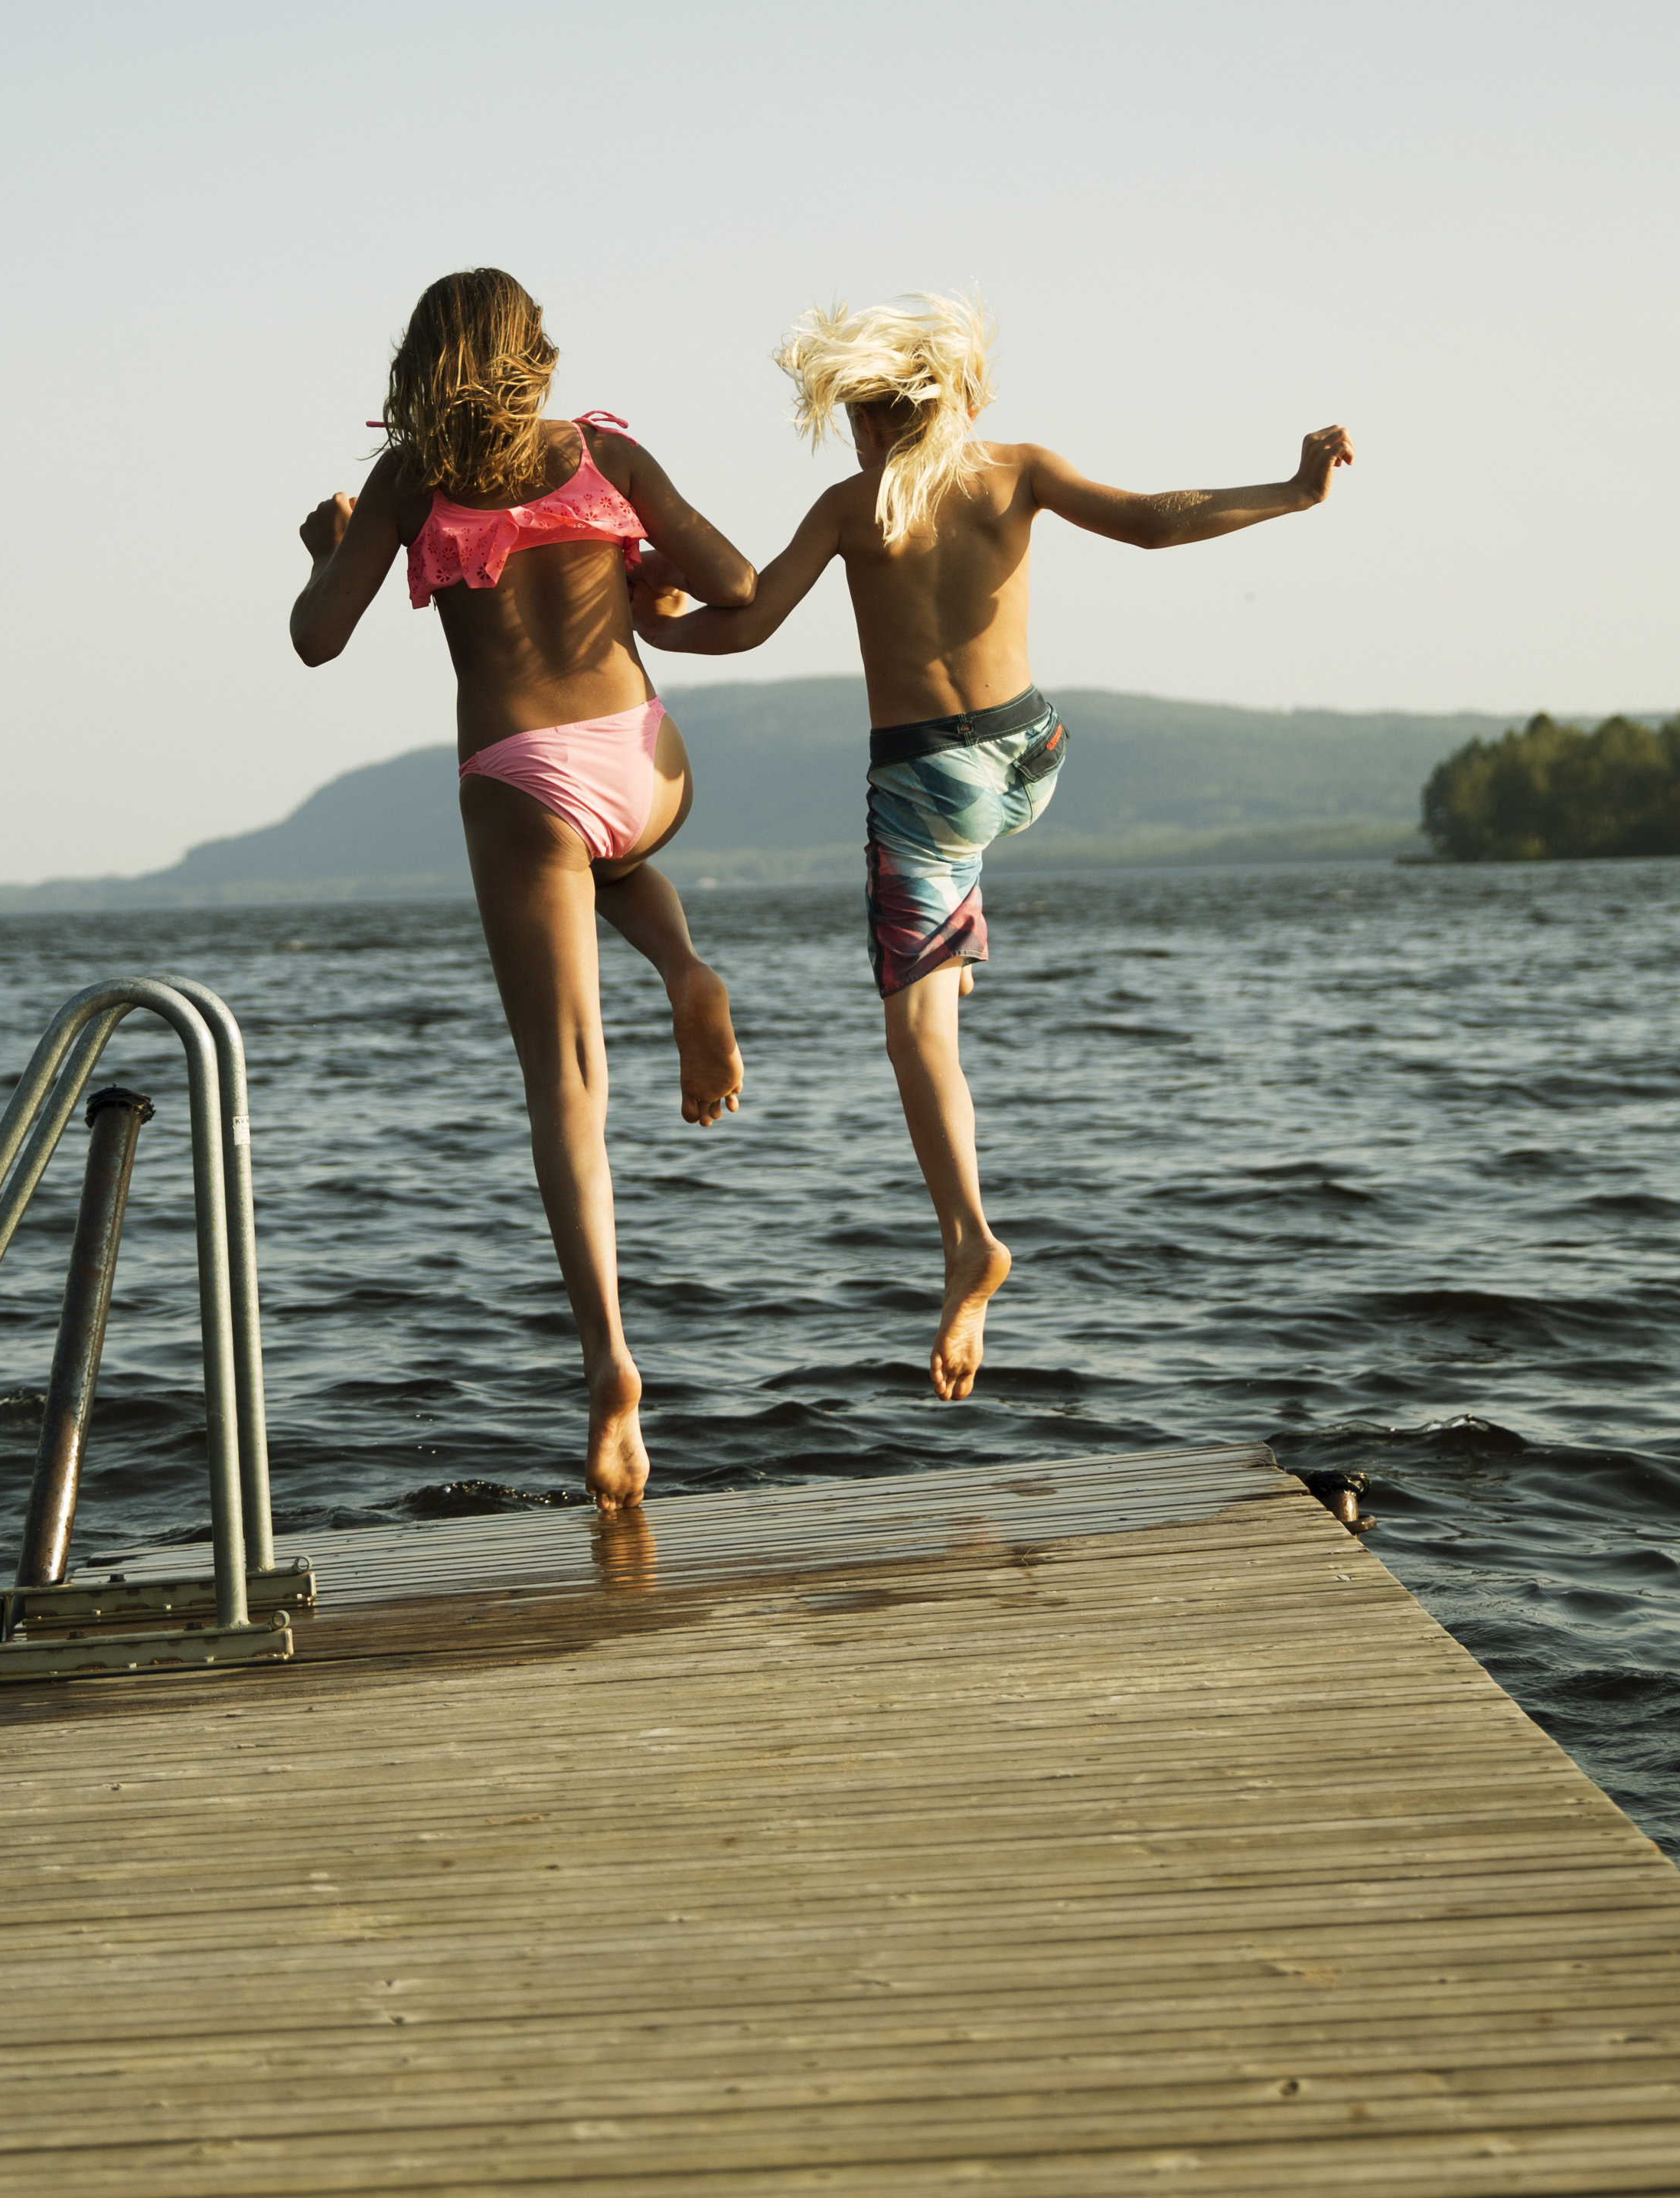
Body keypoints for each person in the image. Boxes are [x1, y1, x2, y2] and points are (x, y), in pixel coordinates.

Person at [638, 293, 1354, 1401]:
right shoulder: (1018, 469)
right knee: (949, 891)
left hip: (928, 781)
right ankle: (954, 940)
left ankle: (968, 1237)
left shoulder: (853, 506)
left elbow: (750, 622)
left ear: (870, 418)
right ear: (959, 402)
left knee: (917, 1029)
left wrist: (657, 623)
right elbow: (1156, 520)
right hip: (1032, 757)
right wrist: (1294, 491)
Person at [290, 267, 758, 1508]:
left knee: (567, 1088)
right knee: (617, 860)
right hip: (644, 761)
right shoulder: (607, 453)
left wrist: (333, 550)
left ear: (421, 366)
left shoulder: (410, 479)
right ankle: (686, 967)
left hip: (520, 773)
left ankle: (609, 1366)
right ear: (536, 352)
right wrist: (644, 578)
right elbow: (741, 585)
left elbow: (316, 638)